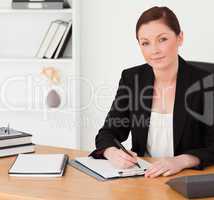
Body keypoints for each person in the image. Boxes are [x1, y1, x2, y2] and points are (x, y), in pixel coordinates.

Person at [90, 6, 214, 178]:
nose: (154, 50)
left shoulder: (206, 82)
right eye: (145, 43)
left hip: (188, 178)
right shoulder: (132, 78)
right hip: (144, 178)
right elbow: (108, 132)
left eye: (162, 39)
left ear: (180, 38)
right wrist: (111, 152)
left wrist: (182, 160)